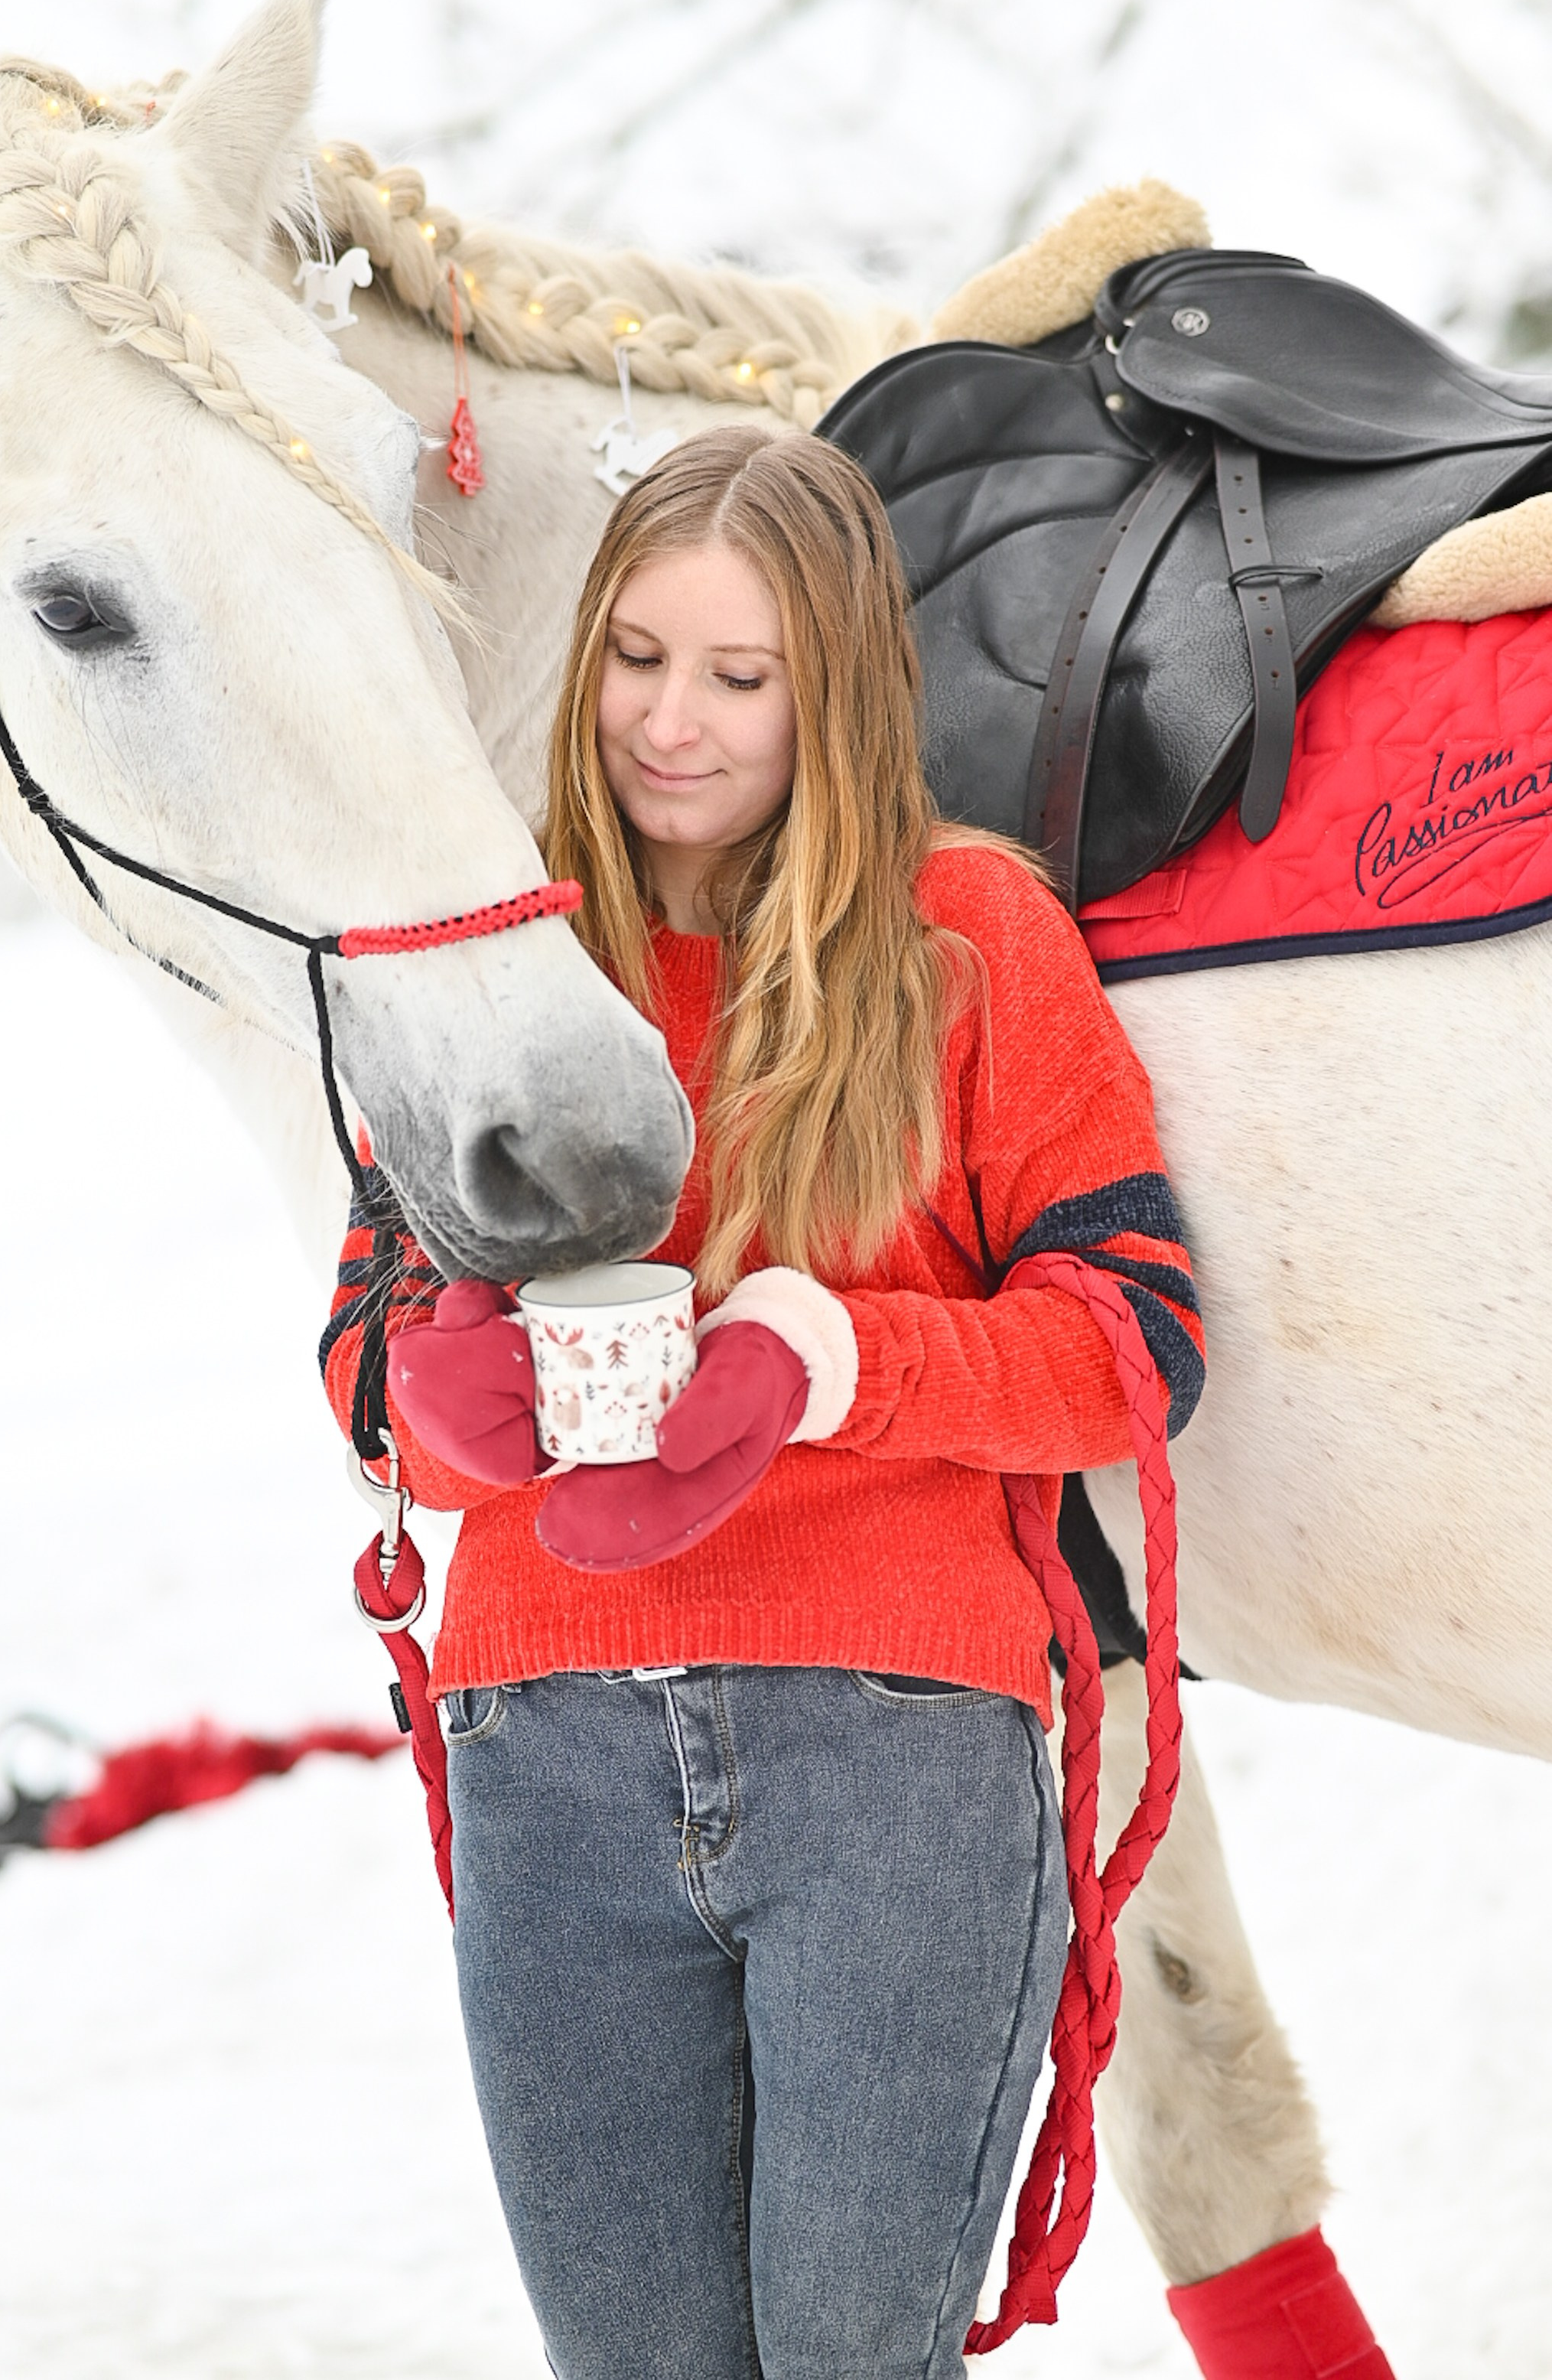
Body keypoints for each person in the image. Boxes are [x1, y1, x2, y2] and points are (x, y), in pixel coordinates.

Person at [320, 425, 1204, 2380]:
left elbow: (1139, 1341)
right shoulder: (503, 958)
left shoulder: (972, 936)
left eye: (743, 677)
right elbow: (362, 1339)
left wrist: (835, 1359)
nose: (671, 724)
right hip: (545, 1748)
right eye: (638, 656)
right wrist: (432, 1390)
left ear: (844, 688)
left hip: (897, 1757)